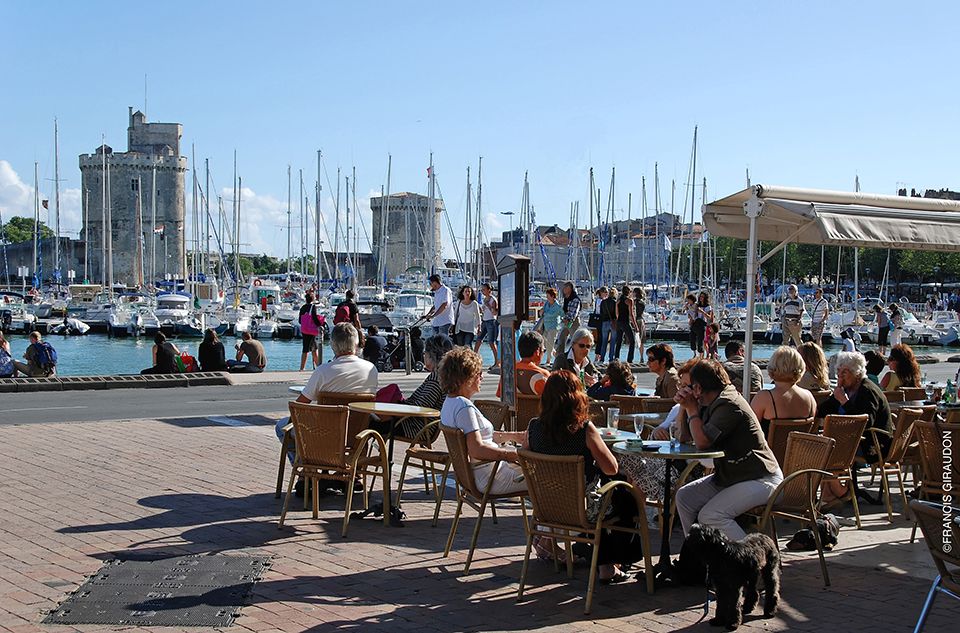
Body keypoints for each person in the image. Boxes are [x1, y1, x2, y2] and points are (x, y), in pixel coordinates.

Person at [528, 370, 644, 583]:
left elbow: (527, 454)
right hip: (582, 508)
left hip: (546, 506)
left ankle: (600, 559)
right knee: (625, 497)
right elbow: (611, 467)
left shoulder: (534, 427)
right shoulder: (583, 429)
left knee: (612, 496)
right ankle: (609, 566)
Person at [674, 359, 783, 541]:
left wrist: (692, 408)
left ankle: (748, 562)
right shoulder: (712, 401)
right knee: (685, 497)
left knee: (712, 515)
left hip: (761, 478)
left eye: (690, 386)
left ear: (699, 388)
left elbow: (701, 442)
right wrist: (684, 408)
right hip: (735, 475)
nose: (689, 391)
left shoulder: (728, 404)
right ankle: (699, 557)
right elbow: (684, 437)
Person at [277, 322, 379, 466]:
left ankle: (304, 470)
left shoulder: (323, 371)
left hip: (323, 433)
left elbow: (299, 406)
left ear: (332, 345)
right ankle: (355, 475)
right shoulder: (371, 370)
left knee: (281, 428)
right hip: (356, 434)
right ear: (356, 343)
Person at [438, 346, 527, 495]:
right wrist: (513, 454)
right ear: (466, 378)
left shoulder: (451, 403)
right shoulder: (464, 407)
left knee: (537, 467)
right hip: (491, 477)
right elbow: (477, 449)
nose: (482, 377)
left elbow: (478, 437)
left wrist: (514, 436)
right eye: (479, 373)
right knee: (547, 477)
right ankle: (553, 516)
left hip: (478, 474)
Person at [370, 334, 454, 439]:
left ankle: (357, 453)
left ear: (431, 356)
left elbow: (421, 406)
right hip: (420, 426)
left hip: (415, 428)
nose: (424, 356)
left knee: (367, 424)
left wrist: (399, 405)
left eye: (425, 353)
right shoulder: (443, 377)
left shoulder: (436, 378)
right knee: (371, 421)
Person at [818, 351, 893, 462]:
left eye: (845, 372)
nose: (840, 375)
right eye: (838, 371)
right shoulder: (847, 389)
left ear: (857, 374)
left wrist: (844, 401)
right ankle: (831, 478)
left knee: (821, 450)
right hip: (853, 439)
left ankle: (831, 478)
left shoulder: (867, 390)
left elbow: (866, 423)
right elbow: (824, 409)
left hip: (874, 445)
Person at [750, 346, 818, 436]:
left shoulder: (764, 397)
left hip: (769, 449)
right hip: (799, 449)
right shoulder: (809, 397)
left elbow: (749, 430)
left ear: (773, 367)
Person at [497, 331, 550, 398]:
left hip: (513, 408)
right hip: (535, 408)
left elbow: (499, 394)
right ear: (537, 352)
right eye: (543, 350)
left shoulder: (508, 371)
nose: (543, 353)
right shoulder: (542, 375)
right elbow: (551, 400)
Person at [534, 287, 563, 365]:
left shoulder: (557, 306)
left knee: (550, 341)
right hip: (546, 325)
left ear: (553, 296)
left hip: (553, 326)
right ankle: (554, 353)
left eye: (548, 296)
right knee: (545, 342)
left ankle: (548, 360)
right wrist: (541, 312)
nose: (547, 298)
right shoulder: (546, 303)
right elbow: (542, 312)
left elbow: (563, 314)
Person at [474, 282, 499, 367]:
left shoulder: (493, 300)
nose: (482, 291)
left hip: (491, 321)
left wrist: (488, 305)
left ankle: (497, 362)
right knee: (478, 339)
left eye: (484, 290)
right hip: (484, 321)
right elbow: (484, 311)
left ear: (489, 290)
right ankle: (474, 358)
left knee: (491, 342)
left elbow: (495, 312)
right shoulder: (485, 299)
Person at [554, 281, 581, 357]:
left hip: (573, 322)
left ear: (569, 288)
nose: (563, 289)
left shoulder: (575, 299)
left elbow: (574, 312)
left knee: (575, 339)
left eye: (565, 287)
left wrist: (568, 319)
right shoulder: (566, 298)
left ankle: (575, 355)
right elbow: (564, 310)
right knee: (561, 337)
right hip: (566, 321)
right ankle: (559, 355)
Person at [613, 284, 638, 364]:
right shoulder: (629, 301)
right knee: (632, 341)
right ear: (629, 292)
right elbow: (631, 314)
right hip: (625, 322)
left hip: (619, 321)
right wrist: (635, 326)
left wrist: (618, 320)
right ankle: (630, 360)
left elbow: (616, 313)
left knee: (619, 341)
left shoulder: (618, 300)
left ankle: (616, 358)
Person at [298, 292, 323, 371]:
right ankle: (319, 367)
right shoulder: (313, 307)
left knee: (305, 349)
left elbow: (300, 320)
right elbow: (314, 318)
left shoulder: (303, 307)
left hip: (304, 330)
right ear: (313, 299)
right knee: (314, 349)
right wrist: (319, 324)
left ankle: (302, 368)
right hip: (311, 330)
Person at [597, 286, 618, 364]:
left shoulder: (603, 302)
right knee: (613, 341)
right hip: (613, 322)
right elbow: (616, 313)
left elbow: (601, 312)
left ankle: (602, 358)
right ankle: (611, 358)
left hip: (604, 322)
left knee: (604, 341)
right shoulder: (615, 302)